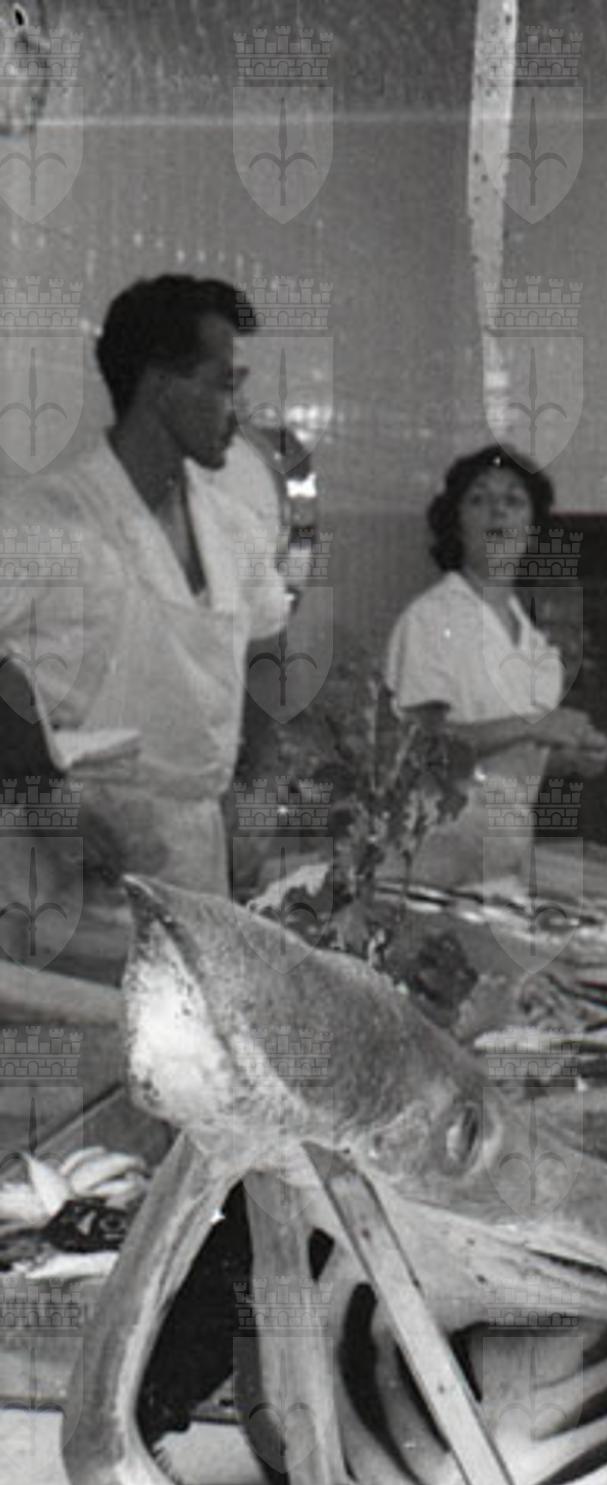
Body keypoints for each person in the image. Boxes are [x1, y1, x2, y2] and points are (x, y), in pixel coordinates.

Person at [0, 274, 290, 976]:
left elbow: (266, 646)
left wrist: (255, 785)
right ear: (161, 386)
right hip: (69, 867)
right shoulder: (46, 518)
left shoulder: (234, 528)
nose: (238, 410)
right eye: (224, 384)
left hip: (195, 856)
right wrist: (41, 789)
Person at [384, 445, 607, 888]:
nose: (497, 512)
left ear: (532, 529)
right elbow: (419, 747)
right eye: (479, 499)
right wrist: (534, 725)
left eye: (513, 501)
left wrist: (573, 758)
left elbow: (511, 762)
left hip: (503, 857)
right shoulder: (430, 618)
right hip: (428, 857)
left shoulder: (535, 646)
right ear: (456, 525)